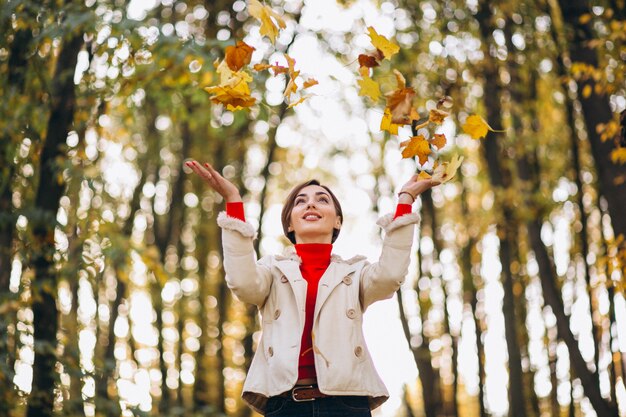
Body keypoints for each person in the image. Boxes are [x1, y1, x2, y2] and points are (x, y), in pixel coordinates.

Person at [185, 160, 438, 416]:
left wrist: (405, 199)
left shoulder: (355, 272)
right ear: (290, 224)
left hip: (347, 404)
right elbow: (243, 284)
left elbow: (389, 277)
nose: (311, 203)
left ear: (337, 222)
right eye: (300, 201)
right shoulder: (273, 270)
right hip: (285, 404)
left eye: (322, 199)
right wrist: (233, 200)